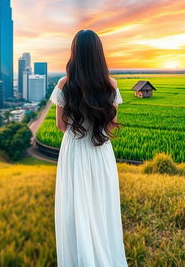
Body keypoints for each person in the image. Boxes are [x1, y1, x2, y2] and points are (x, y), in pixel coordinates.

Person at [50, 29, 128, 267]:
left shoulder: (65, 83)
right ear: (98, 54)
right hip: (100, 150)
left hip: (74, 150)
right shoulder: (110, 84)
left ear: (75, 53)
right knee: (101, 205)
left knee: (75, 208)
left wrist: (77, 131)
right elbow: (111, 123)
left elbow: (60, 125)